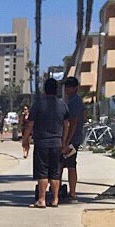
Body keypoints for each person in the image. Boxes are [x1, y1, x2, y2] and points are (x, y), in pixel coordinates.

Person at [22, 77, 70, 208]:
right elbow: (67, 124)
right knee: (55, 172)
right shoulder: (63, 105)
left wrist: (25, 138)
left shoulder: (38, 104)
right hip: (57, 143)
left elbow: (30, 124)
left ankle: (42, 200)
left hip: (42, 142)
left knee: (42, 171)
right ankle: (55, 199)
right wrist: (64, 141)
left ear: (44, 89)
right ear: (57, 90)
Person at [62, 77, 86, 203]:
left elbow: (74, 122)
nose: (66, 89)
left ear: (75, 88)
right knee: (64, 165)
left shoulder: (75, 102)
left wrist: (66, 141)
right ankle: (62, 190)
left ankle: (72, 193)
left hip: (72, 140)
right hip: (71, 139)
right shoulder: (70, 101)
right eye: (66, 86)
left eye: (69, 86)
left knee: (70, 165)